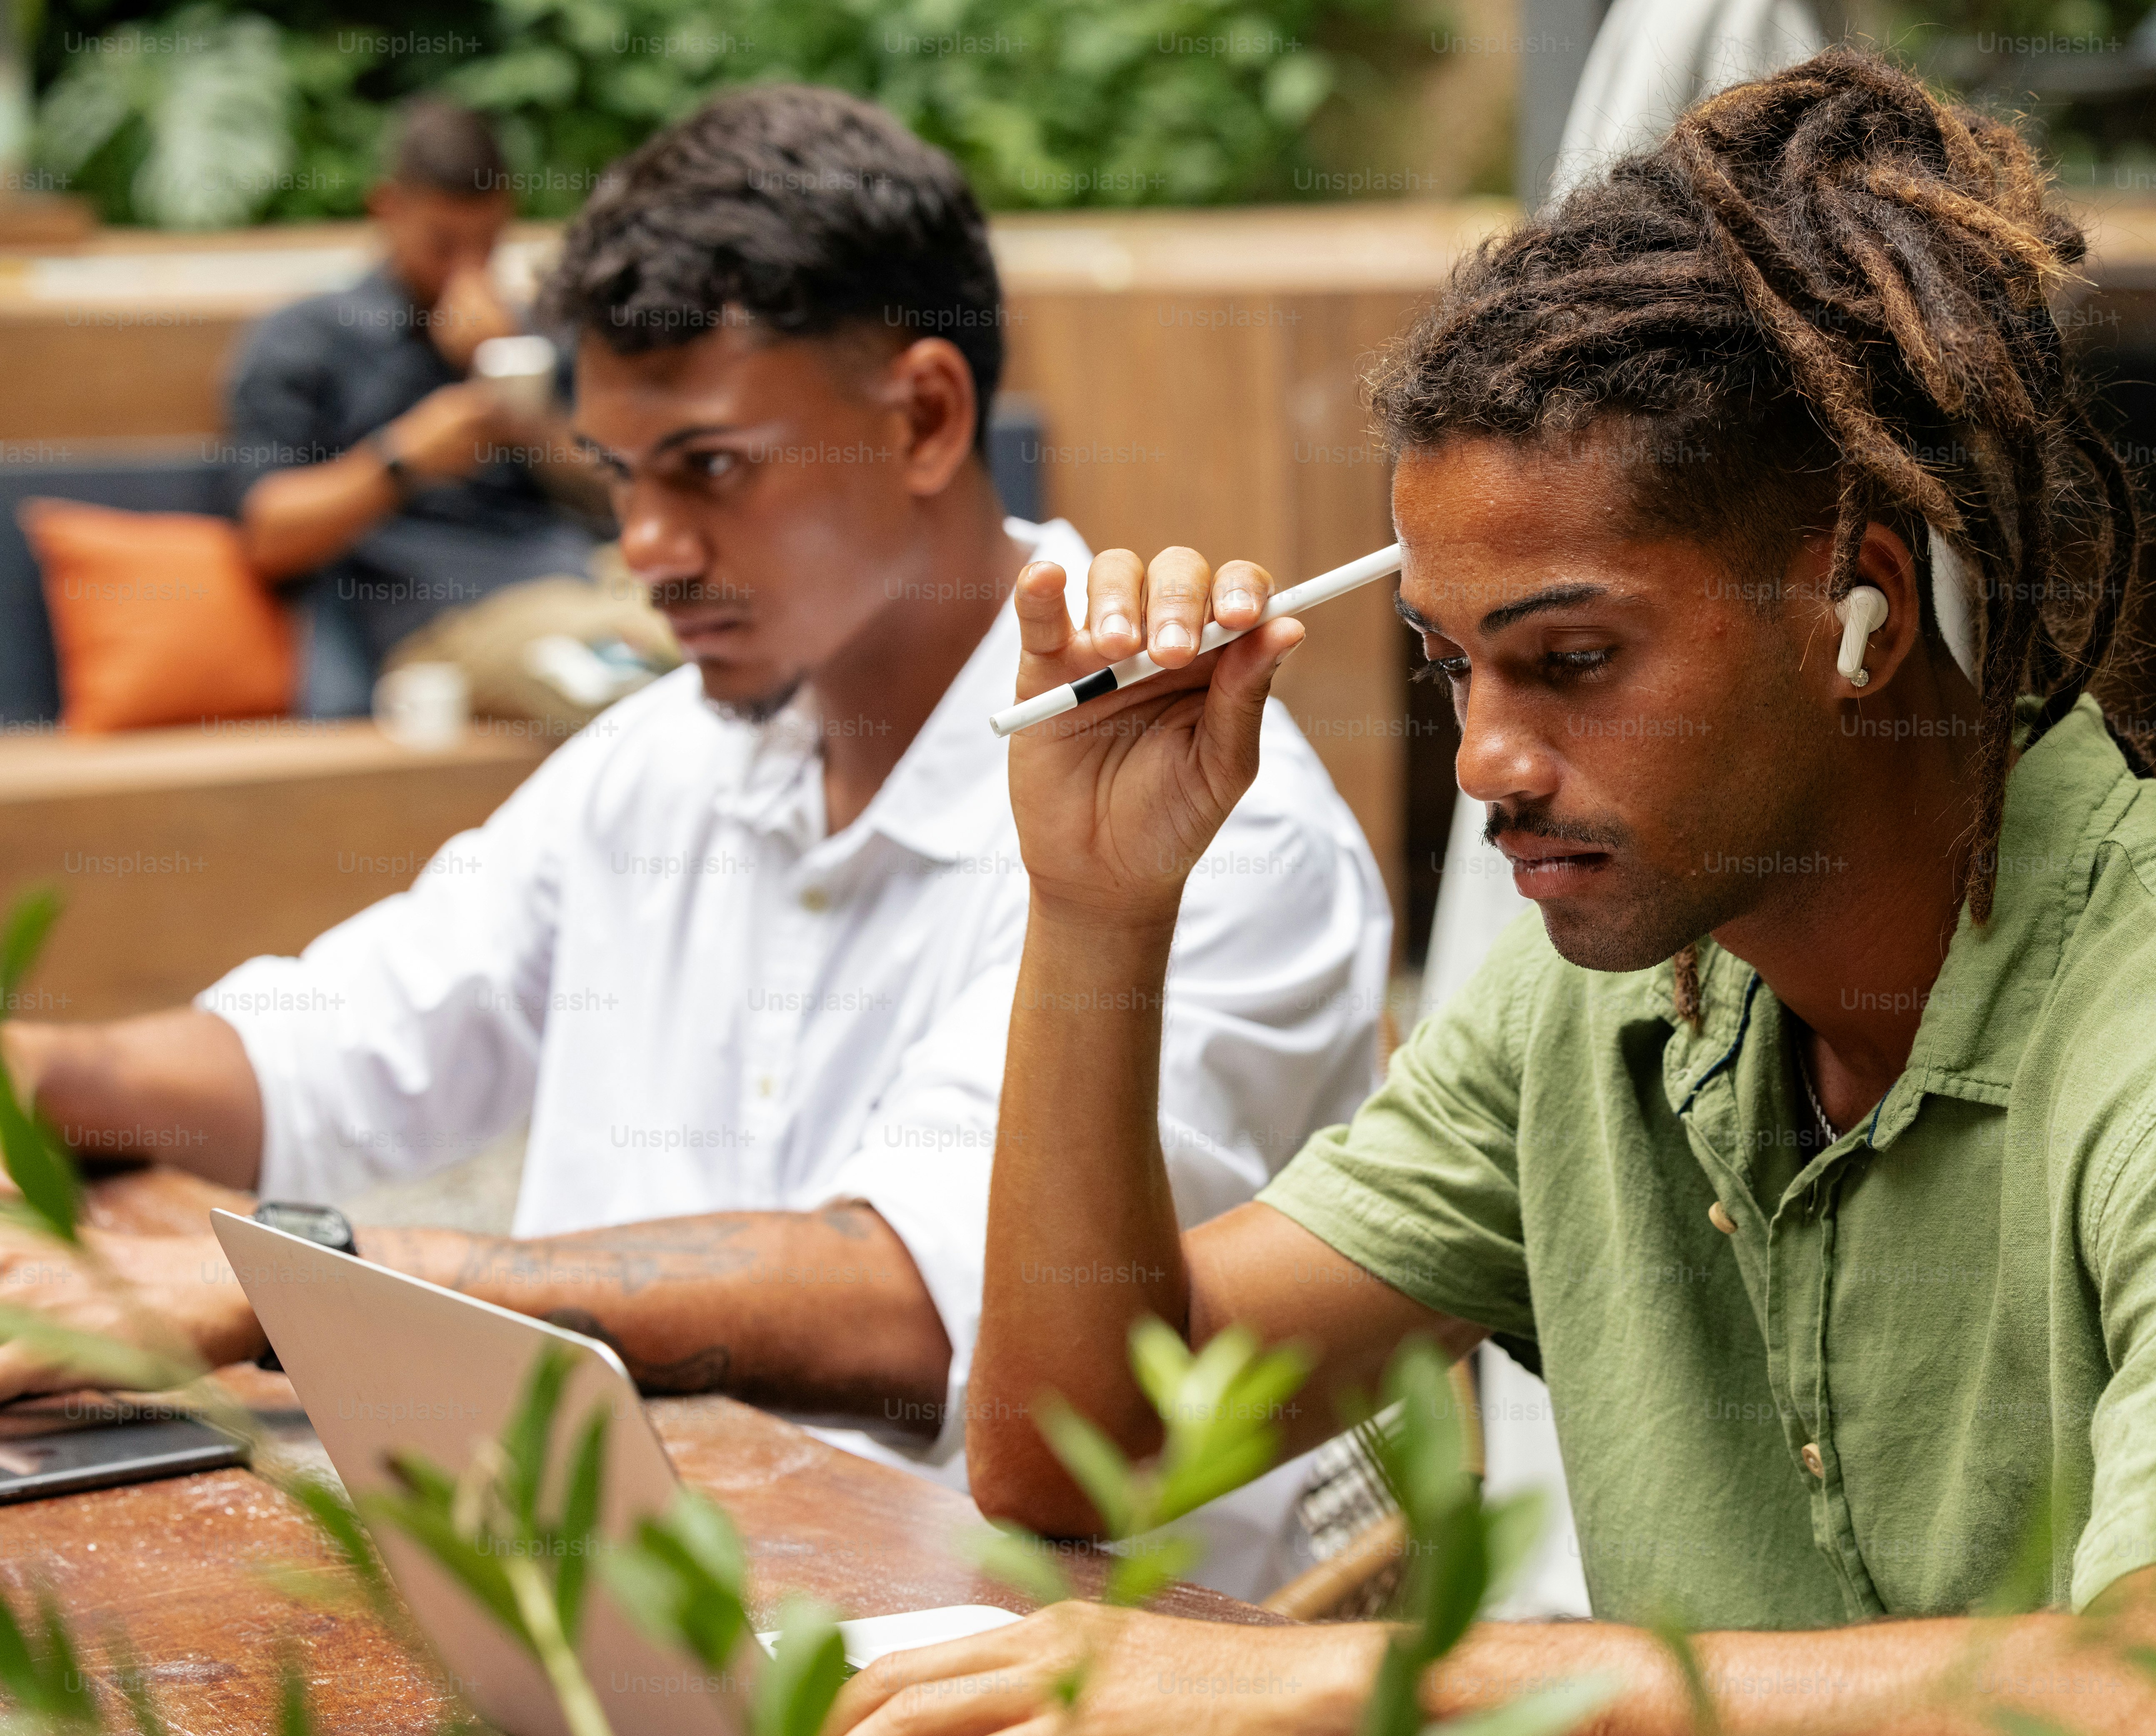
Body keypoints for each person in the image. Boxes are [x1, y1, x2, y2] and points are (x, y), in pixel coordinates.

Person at [814, 50, 2156, 1736]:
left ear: (1851, 604)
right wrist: (1099, 906)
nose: (1492, 764)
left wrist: (1387, 1693)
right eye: (1455, 669)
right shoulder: (1611, 1003)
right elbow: (1074, 1454)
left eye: (1575, 662)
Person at [0, 87, 1388, 1595]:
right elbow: (338, 1047)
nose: (647, 548)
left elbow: (932, 1311)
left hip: (1029, 1693)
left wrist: (302, 1275)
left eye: (709, 468)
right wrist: (47, 1072)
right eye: (617, 476)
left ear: (922, 416)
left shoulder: (1212, 829)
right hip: (607, 1630)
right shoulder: (663, 758)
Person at [225, 97, 607, 716]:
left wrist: (520, 405)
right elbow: (269, 535)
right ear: (388, 209)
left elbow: (621, 493)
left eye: (486, 246)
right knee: (623, 689)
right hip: (432, 620)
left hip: (582, 584)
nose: (467, 270)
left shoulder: (527, 336)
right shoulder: (310, 339)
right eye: (443, 244)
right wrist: (403, 459)